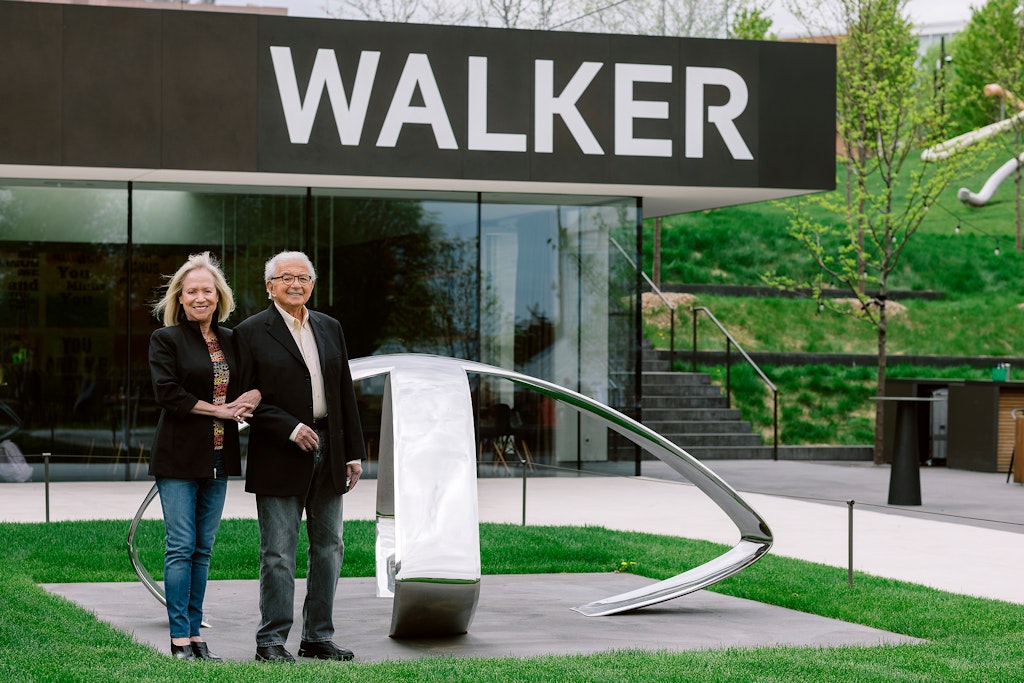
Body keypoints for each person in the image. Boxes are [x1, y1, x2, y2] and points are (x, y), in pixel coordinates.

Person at [233, 250, 365, 664]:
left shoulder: (329, 326)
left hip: (331, 450)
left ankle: (318, 637)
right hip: (278, 452)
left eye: (303, 278)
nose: (295, 284)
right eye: (286, 277)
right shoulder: (249, 332)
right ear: (269, 286)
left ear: (312, 284)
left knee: (329, 547)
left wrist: (353, 452)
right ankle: (271, 641)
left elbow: (343, 391)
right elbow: (244, 399)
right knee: (277, 553)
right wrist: (289, 427)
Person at [148, 251, 261, 661]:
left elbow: (253, 382)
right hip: (178, 457)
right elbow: (168, 393)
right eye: (192, 291)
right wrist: (220, 411)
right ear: (180, 297)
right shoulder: (166, 339)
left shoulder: (232, 339)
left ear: (219, 296)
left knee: (203, 549)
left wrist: (252, 397)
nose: (200, 297)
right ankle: (179, 638)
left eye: (207, 291)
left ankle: (197, 635)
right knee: (181, 546)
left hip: (219, 457)